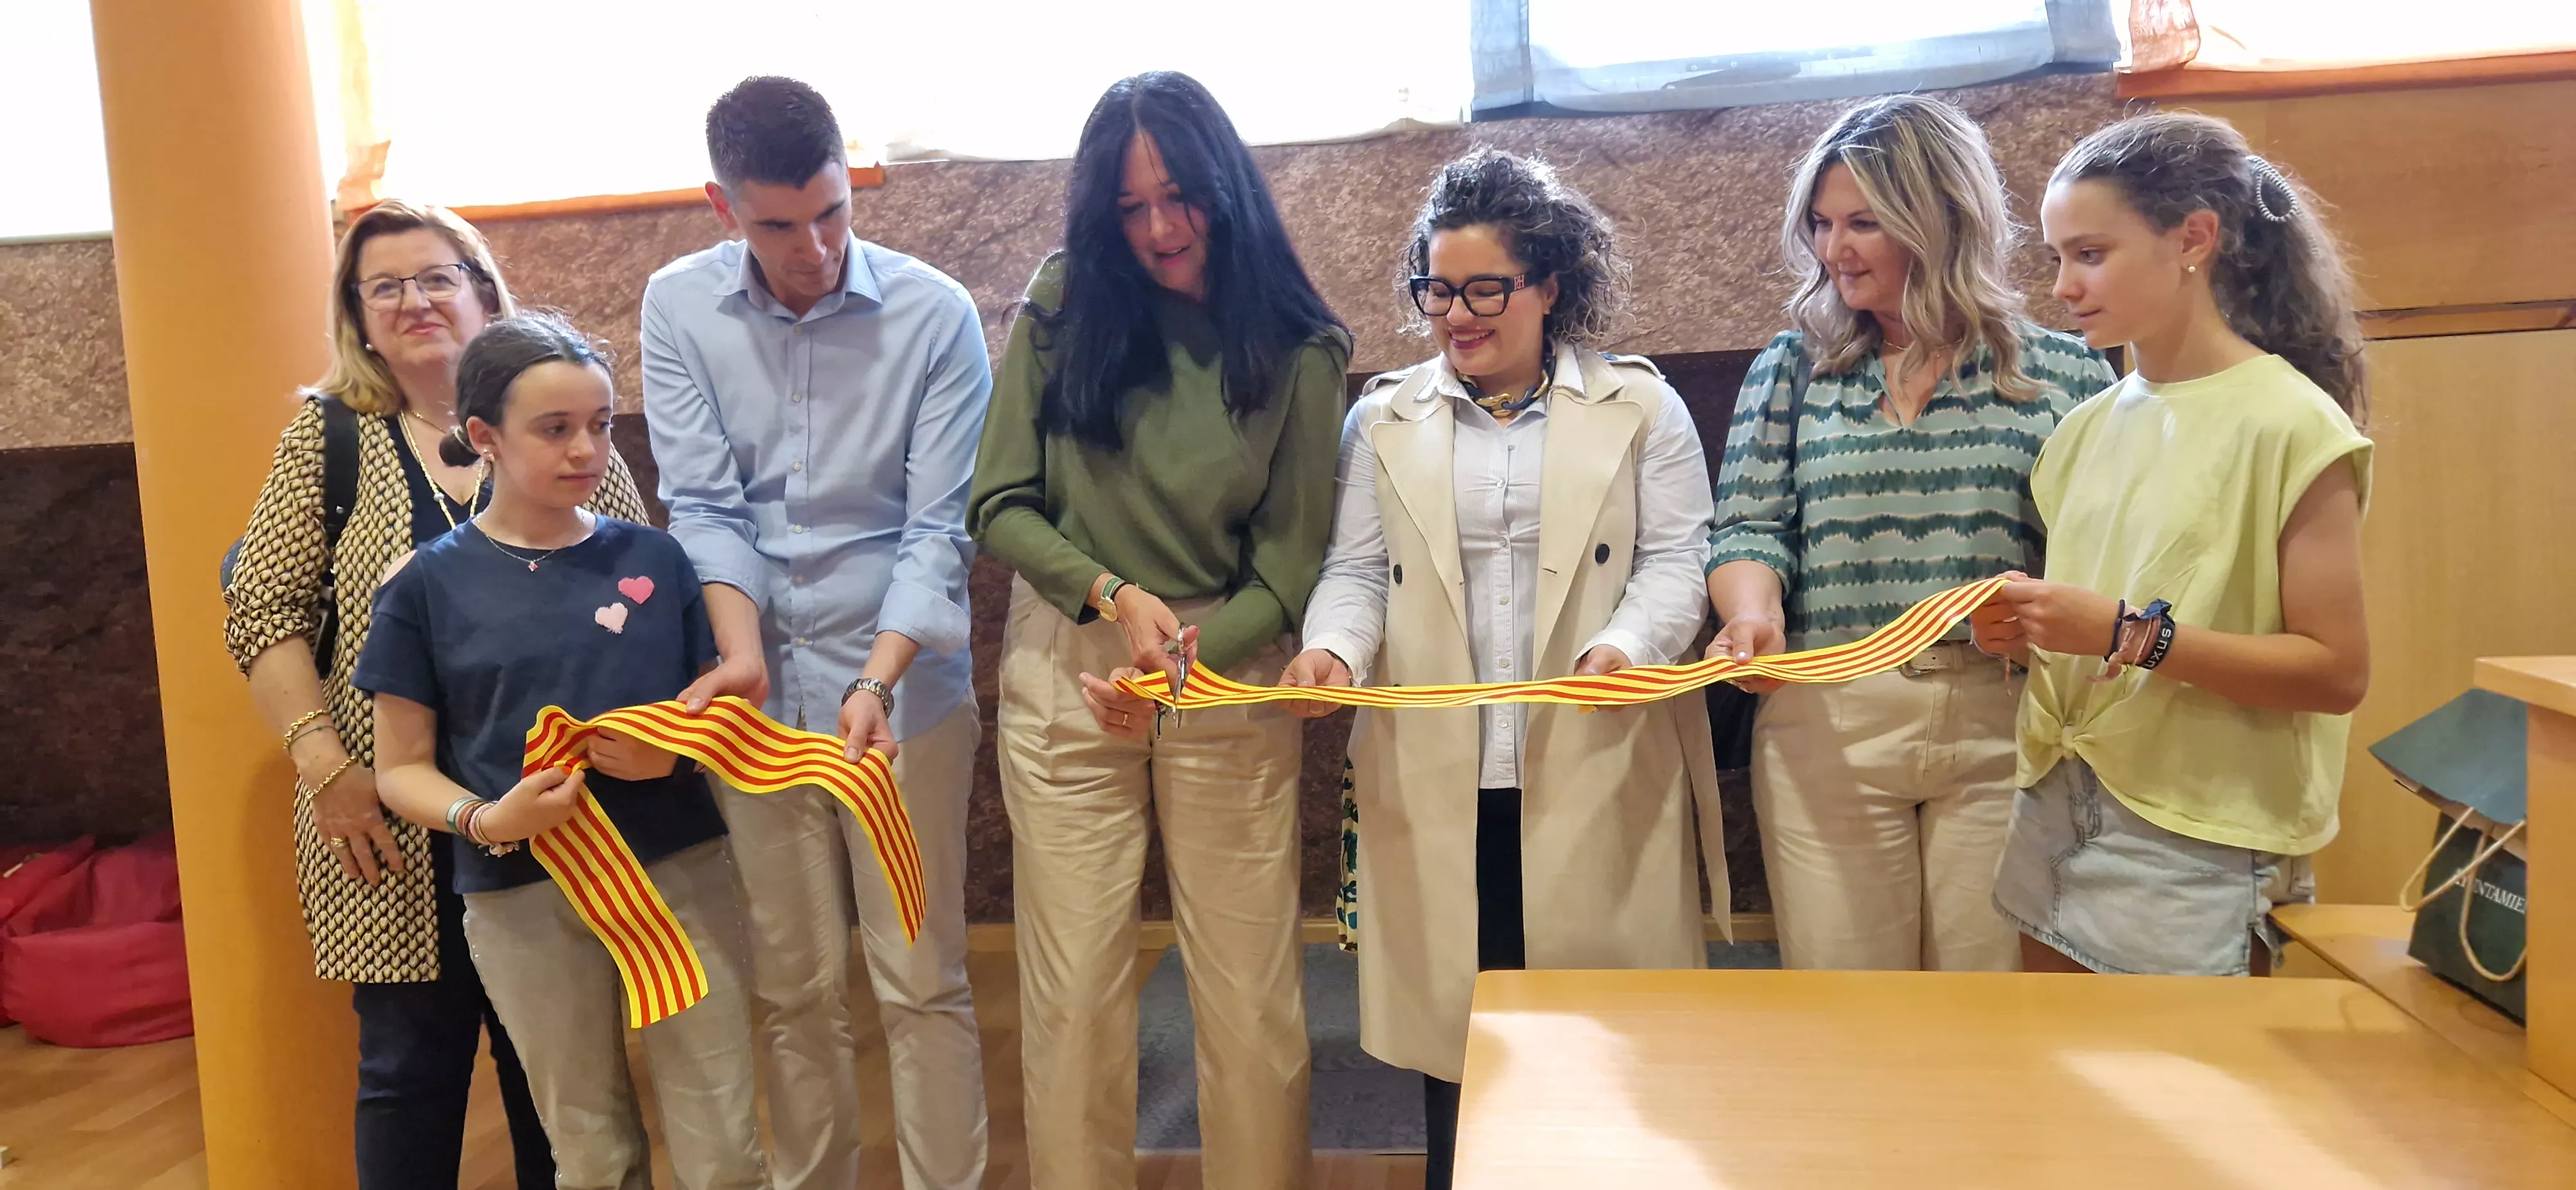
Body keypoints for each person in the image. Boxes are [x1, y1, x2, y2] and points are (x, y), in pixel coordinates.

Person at [1280, 147, 1723, 1189]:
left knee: (1598, 1027)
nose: (1455, 315)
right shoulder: (1383, 416)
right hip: (1442, 766)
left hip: (1592, 751)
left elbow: (1679, 559)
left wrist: (1629, 646)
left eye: (1485, 289)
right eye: (1436, 289)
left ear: (1550, 283)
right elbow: (1355, 573)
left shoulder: (1639, 408)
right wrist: (1331, 648)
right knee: (1462, 1024)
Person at [967, 70, 1348, 1190]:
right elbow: (1000, 502)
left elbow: (1287, 568)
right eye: (1130, 210)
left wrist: (1187, 658)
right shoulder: (1064, 300)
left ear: (1226, 186)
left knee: (1247, 986)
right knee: (1074, 987)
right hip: (1072, 652)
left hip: (1223, 662)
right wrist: (1110, 599)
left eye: (1181, 197)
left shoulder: (1300, 344)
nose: (1162, 229)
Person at [223, 200, 647, 1189]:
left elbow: (638, 577)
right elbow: (262, 611)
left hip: (555, 815)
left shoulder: (563, 420)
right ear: (358, 318)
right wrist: (327, 769)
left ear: (484, 294)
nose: (415, 301)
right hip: (389, 817)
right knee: (409, 1070)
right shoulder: (328, 440)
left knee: (563, 1075)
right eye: (387, 287)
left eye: (438, 277)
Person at [642, 76, 992, 1190]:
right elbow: (702, 504)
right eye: (779, 225)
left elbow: (941, 528)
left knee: (919, 977)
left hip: (904, 696)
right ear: (721, 206)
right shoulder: (677, 307)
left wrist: (879, 682)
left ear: (854, 179)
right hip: (758, 700)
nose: (816, 248)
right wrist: (738, 654)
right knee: (793, 987)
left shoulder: (935, 313)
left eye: (834, 212)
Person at [1703, 95, 2117, 974]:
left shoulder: (2067, 371)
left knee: (1986, 1010)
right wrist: (1751, 613)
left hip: (2004, 719)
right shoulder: (1793, 366)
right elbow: (1748, 525)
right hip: (1828, 716)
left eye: (1862, 223)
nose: (1832, 250)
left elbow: (2099, 559)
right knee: (1847, 1011)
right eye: (1820, 224)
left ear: (1939, 219)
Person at [360, 313, 765, 1190]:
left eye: (601, 424)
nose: (586, 449)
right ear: (483, 438)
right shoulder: (425, 585)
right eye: (555, 429)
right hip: (522, 896)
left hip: (677, 872)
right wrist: (486, 817)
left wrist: (680, 758)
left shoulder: (657, 558)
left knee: (724, 1135)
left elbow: (719, 712)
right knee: (585, 1143)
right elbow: (399, 768)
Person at [1971, 113, 2371, 978]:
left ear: (2193, 240)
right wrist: (2025, 632)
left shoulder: (2291, 423)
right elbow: (2091, 631)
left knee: (2186, 1106)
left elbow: (2337, 673)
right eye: (2055, 259)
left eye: (2091, 253)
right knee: (2055, 1091)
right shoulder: (2078, 434)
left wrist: (2122, 633)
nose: (2065, 287)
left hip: (2200, 836)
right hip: (2054, 805)